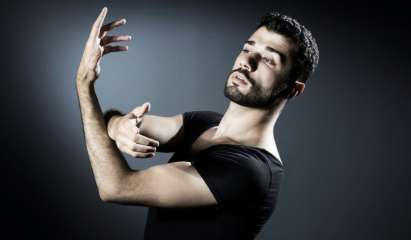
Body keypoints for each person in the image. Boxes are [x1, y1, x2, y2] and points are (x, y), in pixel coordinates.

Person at [75, 7, 319, 240]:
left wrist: (84, 84)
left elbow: (116, 187)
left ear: (293, 89)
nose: (248, 61)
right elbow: (120, 121)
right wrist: (118, 126)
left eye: (268, 60)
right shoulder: (206, 124)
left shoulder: (250, 171)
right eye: (247, 48)